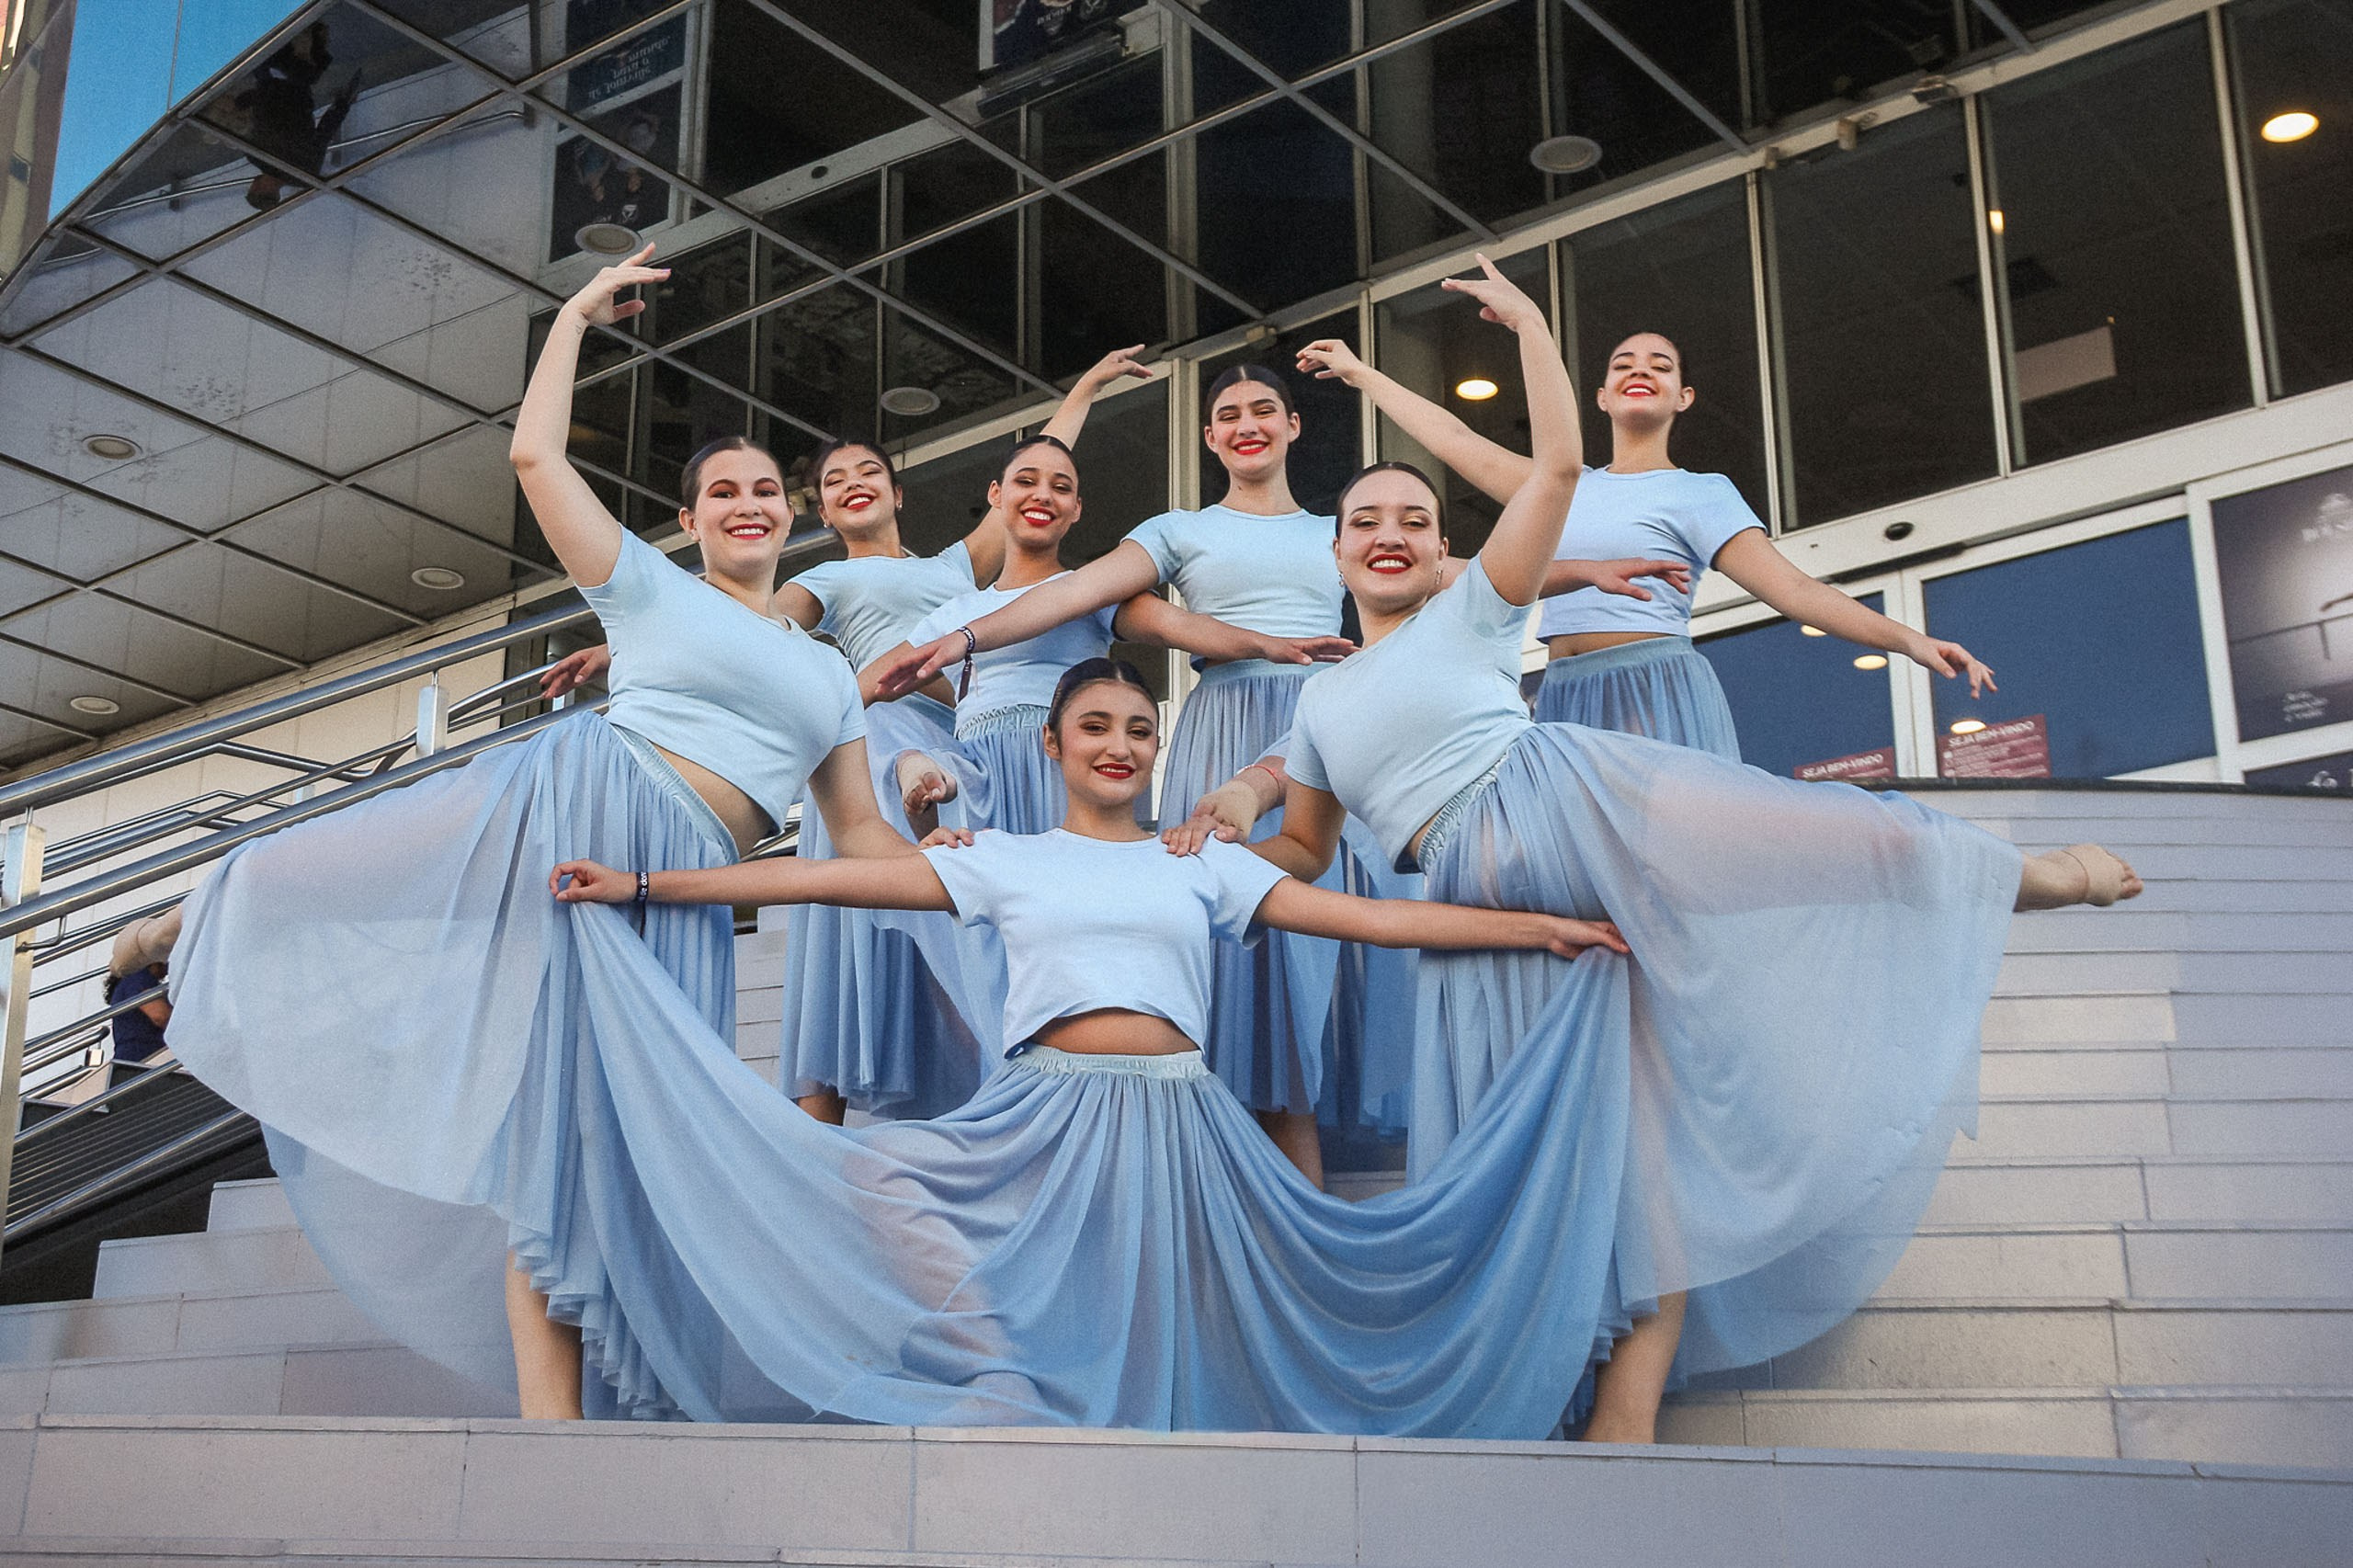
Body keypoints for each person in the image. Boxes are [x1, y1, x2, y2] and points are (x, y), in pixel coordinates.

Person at [1172, 256, 2143, 1443]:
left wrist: (1529, 324)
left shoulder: (1481, 608)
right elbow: (1308, 855)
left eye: (1413, 520)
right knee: (1591, 1143)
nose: (1388, 533)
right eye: (1365, 520)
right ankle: (1592, 1398)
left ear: (1440, 552)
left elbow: (1559, 474)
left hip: (1575, 799)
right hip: (1483, 928)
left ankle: (2028, 877)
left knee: (1827, 842)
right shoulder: (1315, 708)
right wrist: (1204, 849)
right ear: (1334, 554)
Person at [132, 244, 924, 1422]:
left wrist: (982, 865)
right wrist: (572, 318)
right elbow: (532, 454)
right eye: (723, 492)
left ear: (792, 511)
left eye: (765, 490)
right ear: (689, 519)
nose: (748, 504)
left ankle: (574, 1420)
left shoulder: (831, 673)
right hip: (568, 801)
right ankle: (163, 929)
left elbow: (859, 835)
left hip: (671, 888)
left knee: (603, 1157)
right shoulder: (649, 587)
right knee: (326, 883)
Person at [541, 658, 1643, 1435]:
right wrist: (642, 884)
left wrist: (1542, 926)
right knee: (879, 1175)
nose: (1120, 744)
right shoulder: (1002, 855)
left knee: (1172, 1325)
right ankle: (999, 1368)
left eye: (1138, 729)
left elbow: (1385, 920)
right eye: (1098, 727)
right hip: (1040, 1109)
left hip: (1176, 1110)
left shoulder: (1200, 858)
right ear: (1054, 743)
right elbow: (813, 872)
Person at [874, 367, 1677, 1180]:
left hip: (1338, 727)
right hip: (1228, 733)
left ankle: (1415, 1155)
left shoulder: (1340, 533)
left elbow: (1465, 568)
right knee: (1238, 961)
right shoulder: (1178, 528)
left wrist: (1588, 576)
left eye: (1264, 409)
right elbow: (1079, 589)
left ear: (1294, 425)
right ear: (1209, 437)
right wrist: (965, 640)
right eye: (1227, 414)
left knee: (1358, 938)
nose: (1246, 422)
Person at [540, 349, 1154, 1126]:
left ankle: (992, 1094)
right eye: (833, 484)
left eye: (867, 471)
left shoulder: (957, 567)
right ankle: (819, 1132)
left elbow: (1035, 474)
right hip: (866, 747)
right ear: (821, 514)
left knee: (966, 923)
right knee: (848, 932)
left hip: (958, 757)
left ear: (898, 493)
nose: (853, 484)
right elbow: (739, 618)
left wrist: (1087, 389)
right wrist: (624, 639)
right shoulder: (825, 582)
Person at [1291, 333, 1995, 760]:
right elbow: (1452, 437)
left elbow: (1796, 591)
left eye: (1660, 365)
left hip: (1654, 684)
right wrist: (1362, 374)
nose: (1641, 369)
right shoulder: (1558, 486)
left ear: (1683, 396)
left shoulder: (1701, 491)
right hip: (1562, 690)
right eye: (1625, 362)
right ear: (1597, 396)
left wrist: (1907, 639)